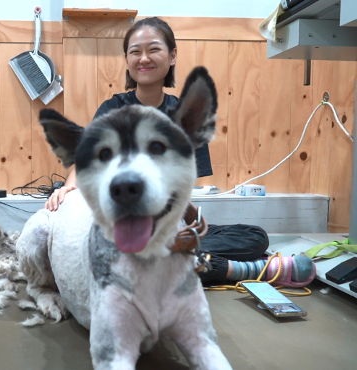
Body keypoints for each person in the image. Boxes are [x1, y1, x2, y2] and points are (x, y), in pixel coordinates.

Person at [44, 17, 315, 287]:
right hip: (123, 220)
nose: (144, 58)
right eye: (135, 51)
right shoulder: (113, 110)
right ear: (126, 60)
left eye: (153, 49)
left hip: (164, 221)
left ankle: (191, 260)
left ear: (172, 55)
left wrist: (193, 221)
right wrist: (68, 188)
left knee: (254, 236)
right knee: (143, 251)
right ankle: (240, 270)